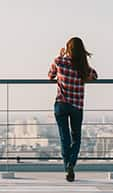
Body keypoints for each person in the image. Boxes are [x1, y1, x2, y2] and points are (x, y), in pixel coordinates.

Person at [48, 37, 98, 182]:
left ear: (67, 49)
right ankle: (71, 164)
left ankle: (67, 168)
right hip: (77, 106)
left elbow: (50, 75)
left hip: (61, 105)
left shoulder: (59, 62)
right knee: (76, 138)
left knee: (65, 138)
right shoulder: (83, 66)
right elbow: (95, 76)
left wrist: (60, 56)